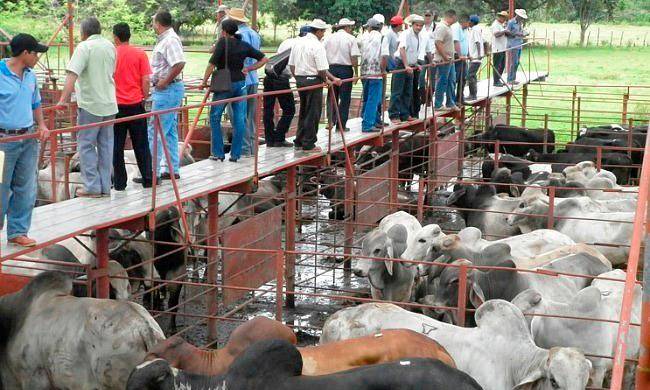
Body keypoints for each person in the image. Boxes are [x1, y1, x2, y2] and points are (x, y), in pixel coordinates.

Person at [56, 17, 117, 198]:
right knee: (106, 145)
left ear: (83, 33)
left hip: (91, 104)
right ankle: (106, 186)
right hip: (109, 103)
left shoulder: (84, 47)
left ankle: (92, 186)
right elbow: (112, 71)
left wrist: (63, 99)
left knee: (86, 145)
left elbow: (72, 74)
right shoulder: (109, 46)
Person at [0, 34, 49, 247]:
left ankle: (18, 231)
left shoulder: (30, 76)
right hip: (3, 140)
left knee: (27, 186)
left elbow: (35, 103)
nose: (37, 57)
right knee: (0, 187)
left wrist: (42, 125)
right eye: (35, 52)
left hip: (28, 138)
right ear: (25, 53)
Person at [202, 19, 268, 162]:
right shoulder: (243, 44)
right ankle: (236, 154)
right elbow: (264, 59)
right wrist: (249, 69)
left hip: (224, 85)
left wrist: (204, 82)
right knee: (240, 119)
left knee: (215, 116)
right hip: (241, 84)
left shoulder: (222, 43)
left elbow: (211, 64)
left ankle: (218, 153)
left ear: (224, 31)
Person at [288, 19, 341, 153]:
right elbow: (321, 69)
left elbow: (292, 65)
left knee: (304, 110)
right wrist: (327, 80)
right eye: (322, 31)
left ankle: (299, 140)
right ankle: (309, 143)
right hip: (313, 81)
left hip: (300, 80)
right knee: (313, 112)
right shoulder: (317, 45)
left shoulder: (298, 42)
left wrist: (298, 78)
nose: (323, 34)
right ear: (317, 31)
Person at [111, 22, 153, 190]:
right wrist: (145, 96)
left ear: (115, 37)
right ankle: (148, 179)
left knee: (117, 146)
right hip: (136, 104)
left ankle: (120, 183)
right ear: (129, 36)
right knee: (141, 144)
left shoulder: (112, 54)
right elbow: (146, 79)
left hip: (116, 107)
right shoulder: (140, 54)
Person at [148, 10, 186, 180]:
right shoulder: (167, 39)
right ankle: (171, 168)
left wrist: (164, 81)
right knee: (168, 130)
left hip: (167, 89)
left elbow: (179, 63)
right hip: (169, 88)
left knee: (156, 129)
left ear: (158, 23)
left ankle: (152, 171)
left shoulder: (169, 40)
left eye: (153, 22)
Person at [263, 26, 310, 148]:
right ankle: (279, 137)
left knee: (268, 109)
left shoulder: (287, 41)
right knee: (289, 109)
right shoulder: (302, 45)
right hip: (281, 79)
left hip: (270, 76)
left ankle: (269, 139)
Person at [228, 8, 260, 158]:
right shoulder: (254, 33)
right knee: (249, 115)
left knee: (237, 115)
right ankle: (251, 148)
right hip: (253, 77)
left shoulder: (239, 35)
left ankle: (244, 149)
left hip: (241, 78)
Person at [323, 18, 360, 131]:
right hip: (345, 69)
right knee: (345, 98)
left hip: (331, 69)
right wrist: (356, 72)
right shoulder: (351, 38)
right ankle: (341, 125)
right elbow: (354, 57)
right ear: (347, 27)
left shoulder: (328, 38)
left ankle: (330, 121)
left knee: (332, 96)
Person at [388, 14, 426, 124]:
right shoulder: (406, 34)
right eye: (417, 25)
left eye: (420, 26)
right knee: (397, 90)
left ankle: (405, 114)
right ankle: (394, 115)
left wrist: (415, 64)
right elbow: (402, 49)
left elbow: (414, 51)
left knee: (407, 91)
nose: (418, 27)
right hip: (402, 64)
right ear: (413, 25)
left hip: (410, 65)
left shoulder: (419, 36)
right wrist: (406, 65)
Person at [358, 17, 388, 132]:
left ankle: (372, 120)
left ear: (369, 27)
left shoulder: (363, 37)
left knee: (367, 98)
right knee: (373, 99)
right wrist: (383, 70)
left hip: (364, 71)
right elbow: (384, 56)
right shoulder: (381, 38)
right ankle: (367, 124)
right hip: (376, 73)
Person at [433, 10, 459, 111]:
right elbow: (438, 42)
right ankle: (438, 104)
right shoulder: (442, 27)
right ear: (451, 17)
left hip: (449, 60)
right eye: (455, 18)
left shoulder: (448, 27)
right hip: (443, 60)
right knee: (442, 81)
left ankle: (450, 102)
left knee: (451, 80)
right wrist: (444, 56)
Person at [452, 14, 470, 104]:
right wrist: (459, 55)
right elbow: (456, 41)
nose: (469, 24)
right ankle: (452, 100)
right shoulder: (456, 28)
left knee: (463, 78)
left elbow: (466, 42)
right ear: (464, 22)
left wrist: (468, 54)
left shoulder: (465, 30)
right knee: (455, 78)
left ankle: (460, 98)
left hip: (463, 57)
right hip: (457, 57)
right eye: (468, 23)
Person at [507, 8, 529, 85]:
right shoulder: (511, 22)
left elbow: (521, 31)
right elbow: (507, 33)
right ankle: (510, 79)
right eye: (521, 17)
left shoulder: (520, 23)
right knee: (514, 62)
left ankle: (513, 78)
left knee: (517, 63)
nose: (522, 18)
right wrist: (516, 34)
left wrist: (524, 33)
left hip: (519, 44)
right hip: (513, 45)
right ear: (518, 15)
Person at [466, 15, 484, 101]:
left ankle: (472, 95)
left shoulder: (475, 29)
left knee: (470, 75)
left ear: (472, 22)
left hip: (476, 57)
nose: (468, 22)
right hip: (474, 57)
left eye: (469, 21)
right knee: (472, 76)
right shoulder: (474, 29)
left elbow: (478, 42)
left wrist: (479, 54)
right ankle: (473, 93)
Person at [491, 11, 509, 87]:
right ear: (499, 17)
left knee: (502, 65)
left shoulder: (501, 25)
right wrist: (504, 31)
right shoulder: (495, 25)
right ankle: (495, 81)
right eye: (503, 17)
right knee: (497, 65)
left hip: (502, 48)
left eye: (505, 18)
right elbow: (496, 34)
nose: (504, 19)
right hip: (497, 48)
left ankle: (498, 79)